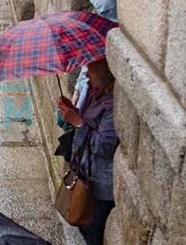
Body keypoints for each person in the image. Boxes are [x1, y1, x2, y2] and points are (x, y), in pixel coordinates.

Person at [57, 59, 118, 245]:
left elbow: (105, 146)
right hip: (86, 171)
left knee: (92, 229)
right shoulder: (96, 93)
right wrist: (72, 110)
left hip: (99, 183)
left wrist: (78, 122)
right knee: (84, 223)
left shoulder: (112, 106)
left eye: (89, 73)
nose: (87, 79)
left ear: (104, 75)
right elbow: (88, 123)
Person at [72, 0, 118, 108]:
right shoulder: (94, 34)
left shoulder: (113, 43)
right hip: (85, 93)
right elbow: (85, 68)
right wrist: (77, 90)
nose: (92, 13)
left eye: (97, 10)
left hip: (97, 101)